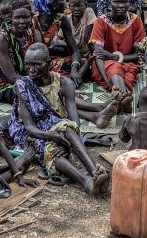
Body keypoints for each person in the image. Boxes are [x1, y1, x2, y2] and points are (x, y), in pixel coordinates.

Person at [9, 44, 110, 195]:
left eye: (36, 64)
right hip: (28, 131)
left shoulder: (65, 83)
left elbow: (75, 123)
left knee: (67, 128)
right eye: (28, 64)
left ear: (49, 63)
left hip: (55, 124)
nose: (31, 69)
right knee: (51, 151)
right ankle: (86, 182)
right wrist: (52, 137)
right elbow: (29, 127)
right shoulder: (23, 85)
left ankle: (94, 171)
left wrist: (66, 145)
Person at [90, 0, 146, 98]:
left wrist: (115, 57)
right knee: (114, 68)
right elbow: (98, 56)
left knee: (128, 76)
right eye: (116, 2)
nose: (121, 5)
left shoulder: (136, 21)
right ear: (110, 3)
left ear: (129, 3)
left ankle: (119, 96)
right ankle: (123, 96)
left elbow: (138, 55)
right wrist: (108, 82)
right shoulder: (101, 22)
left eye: (125, 2)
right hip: (103, 66)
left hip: (127, 63)